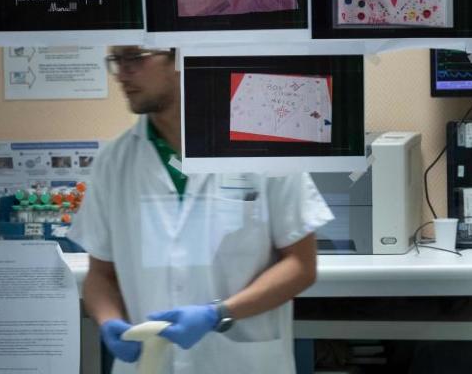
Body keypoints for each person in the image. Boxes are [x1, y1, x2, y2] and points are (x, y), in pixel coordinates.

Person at [69, 47, 332, 374]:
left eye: (134, 58)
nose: (121, 73)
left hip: (240, 364)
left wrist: (218, 314)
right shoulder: (113, 162)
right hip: (151, 364)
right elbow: (100, 275)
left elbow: (301, 265)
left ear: (178, 56)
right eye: (116, 61)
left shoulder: (262, 145)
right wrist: (109, 321)